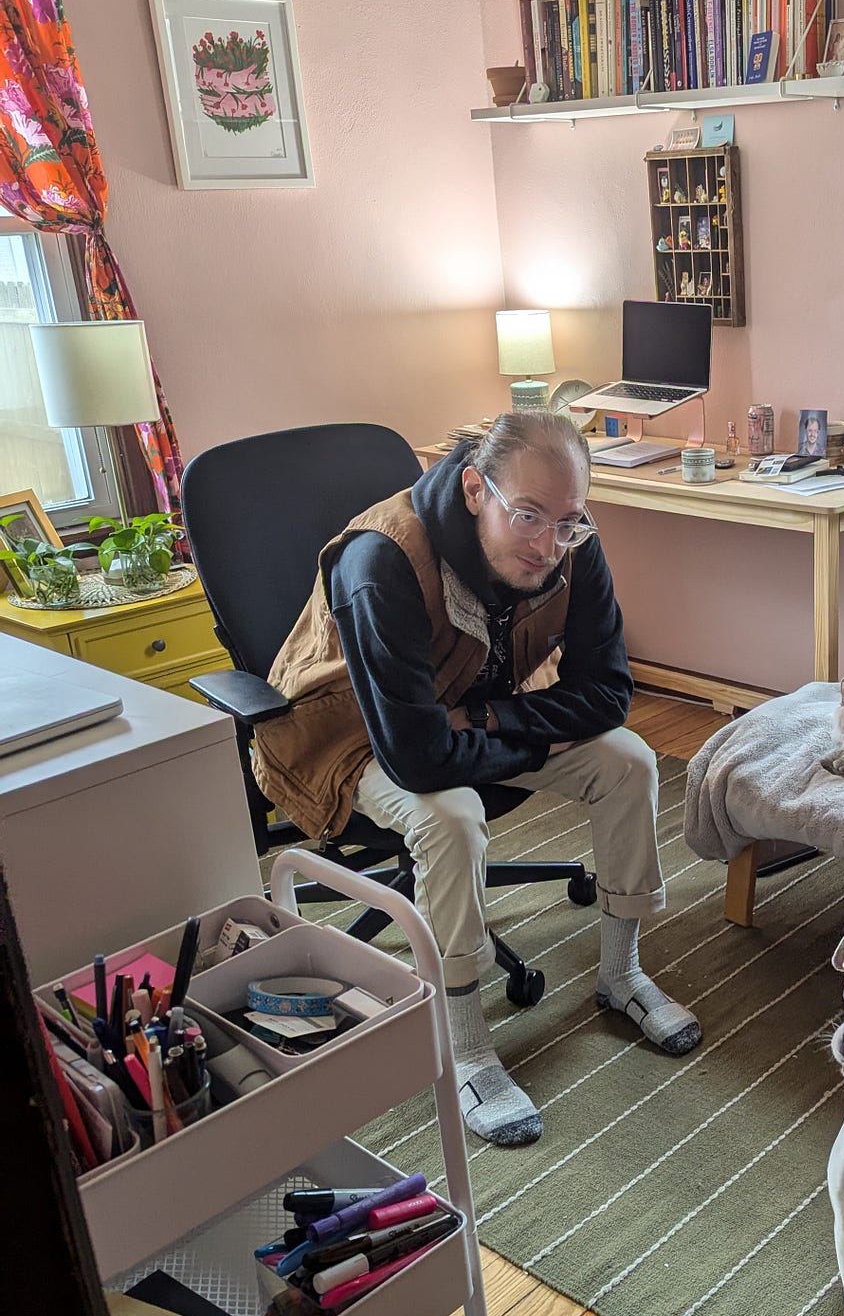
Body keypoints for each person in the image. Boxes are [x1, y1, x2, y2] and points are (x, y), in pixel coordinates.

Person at [252, 412, 700, 1148]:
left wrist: (491, 722)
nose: (548, 543)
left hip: (466, 717)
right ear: (473, 489)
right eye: (527, 515)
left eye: (568, 521)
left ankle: (621, 975)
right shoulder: (381, 564)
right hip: (345, 737)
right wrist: (510, 731)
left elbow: (609, 692)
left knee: (629, 760)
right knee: (451, 815)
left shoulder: (568, 543)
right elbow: (419, 759)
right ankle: (465, 1047)